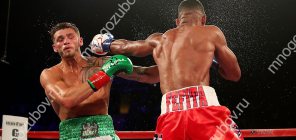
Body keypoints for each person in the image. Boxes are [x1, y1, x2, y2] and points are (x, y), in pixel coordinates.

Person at [92, 0, 243, 139]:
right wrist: (214, 61)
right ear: (203, 19)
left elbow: (130, 51)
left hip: (170, 118)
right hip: (204, 113)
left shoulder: (159, 40)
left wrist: (106, 45)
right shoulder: (211, 32)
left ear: (178, 22)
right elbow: (234, 75)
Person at [40, 22, 159, 140]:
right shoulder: (50, 74)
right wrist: (105, 73)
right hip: (72, 136)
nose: (66, 41)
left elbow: (147, 75)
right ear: (55, 47)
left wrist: (174, 64)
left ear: (80, 41)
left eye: (70, 37)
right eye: (60, 39)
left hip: (105, 134)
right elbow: (67, 100)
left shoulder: (102, 63)